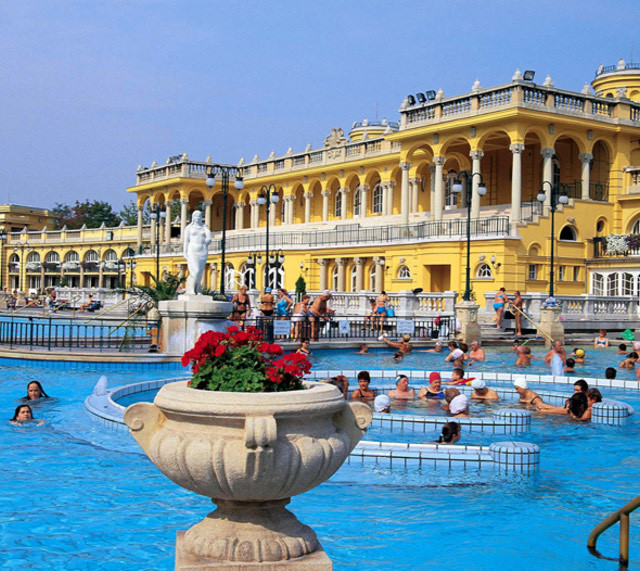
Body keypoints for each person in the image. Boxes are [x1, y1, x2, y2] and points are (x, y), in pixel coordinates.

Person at [182, 210, 211, 295]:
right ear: (193, 218)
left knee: (200, 271)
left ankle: (198, 289)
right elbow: (186, 241)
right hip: (192, 250)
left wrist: (208, 239)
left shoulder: (204, 228)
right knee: (195, 270)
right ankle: (190, 289)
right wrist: (185, 252)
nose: (198, 218)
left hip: (202, 249)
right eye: (196, 216)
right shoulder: (189, 228)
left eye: (199, 216)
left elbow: (209, 238)